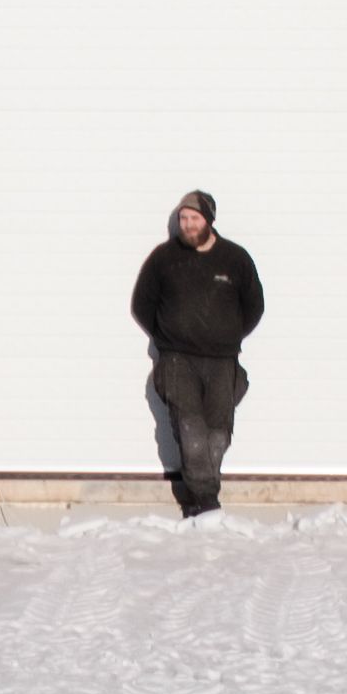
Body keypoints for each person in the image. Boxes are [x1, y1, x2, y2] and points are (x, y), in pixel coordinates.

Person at [129, 189, 266, 515]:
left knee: (218, 433)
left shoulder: (235, 258)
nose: (187, 225)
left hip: (223, 360)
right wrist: (168, 337)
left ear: (209, 220)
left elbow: (254, 306)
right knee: (190, 429)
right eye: (183, 219)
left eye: (194, 219)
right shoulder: (164, 258)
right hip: (178, 359)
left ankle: (204, 495)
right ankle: (205, 501)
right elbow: (142, 304)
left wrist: (229, 335)